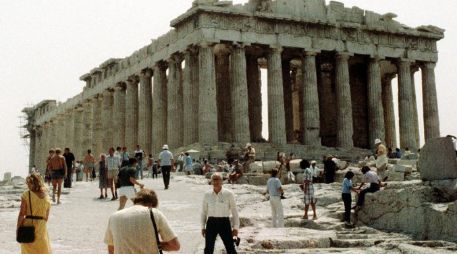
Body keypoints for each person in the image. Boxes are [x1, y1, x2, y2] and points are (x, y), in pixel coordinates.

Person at [104, 188, 180, 254]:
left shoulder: (114, 216)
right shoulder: (154, 213)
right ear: (151, 204)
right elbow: (175, 246)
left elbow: (111, 249)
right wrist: (158, 244)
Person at [201, 173, 239, 254]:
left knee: (230, 248)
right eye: (214, 179)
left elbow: (234, 211)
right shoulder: (207, 195)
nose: (216, 181)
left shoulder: (229, 194)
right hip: (211, 223)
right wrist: (202, 227)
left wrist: (236, 228)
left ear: (222, 181)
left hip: (224, 223)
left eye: (218, 179)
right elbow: (204, 212)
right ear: (211, 181)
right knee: (208, 249)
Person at [17, 173, 52, 254]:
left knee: (28, 250)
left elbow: (22, 213)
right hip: (42, 226)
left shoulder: (26, 194)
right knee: (42, 250)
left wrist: (18, 228)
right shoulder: (47, 197)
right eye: (27, 183)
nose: (28, 185)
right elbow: (46, 217)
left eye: (29, 183)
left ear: (35, 183)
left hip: (28, 225)